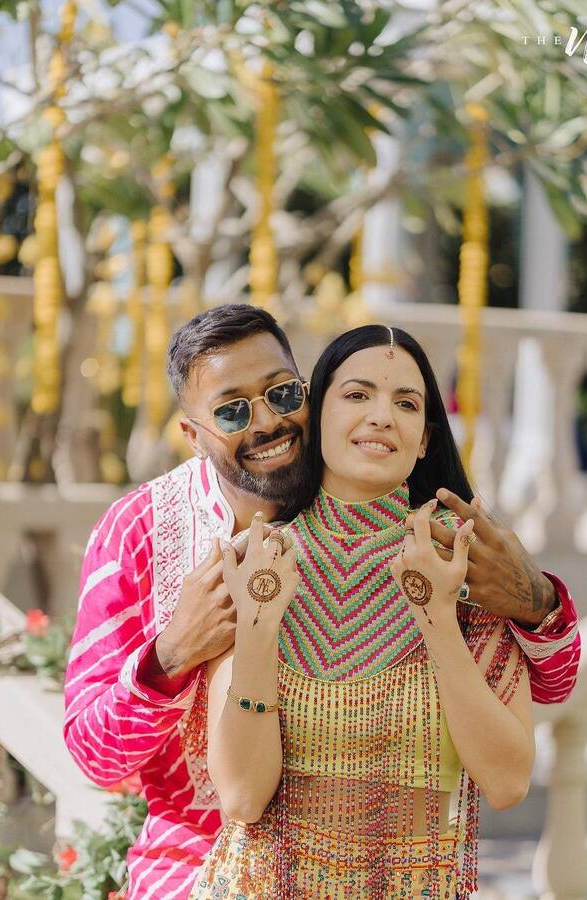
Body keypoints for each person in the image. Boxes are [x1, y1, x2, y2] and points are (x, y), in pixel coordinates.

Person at [63, 305, 579, 900]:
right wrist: (174, 652)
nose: (266, 423)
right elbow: (101, 759)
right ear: (193, 434)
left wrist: (534, 602)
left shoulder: (451, 550)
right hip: (200, 860)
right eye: (232, 411)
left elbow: (544, 704)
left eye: (283, 394)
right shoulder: (153, 533)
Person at [189, 324, 534, 899]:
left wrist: (438, 620)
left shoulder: (468, 563)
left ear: (424, 439)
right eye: (356, 395)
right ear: (315, 413)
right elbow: (243, 798)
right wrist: (257, 628)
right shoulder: (259, 559)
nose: (381, 416)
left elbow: (507, 782)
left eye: (405, 403)